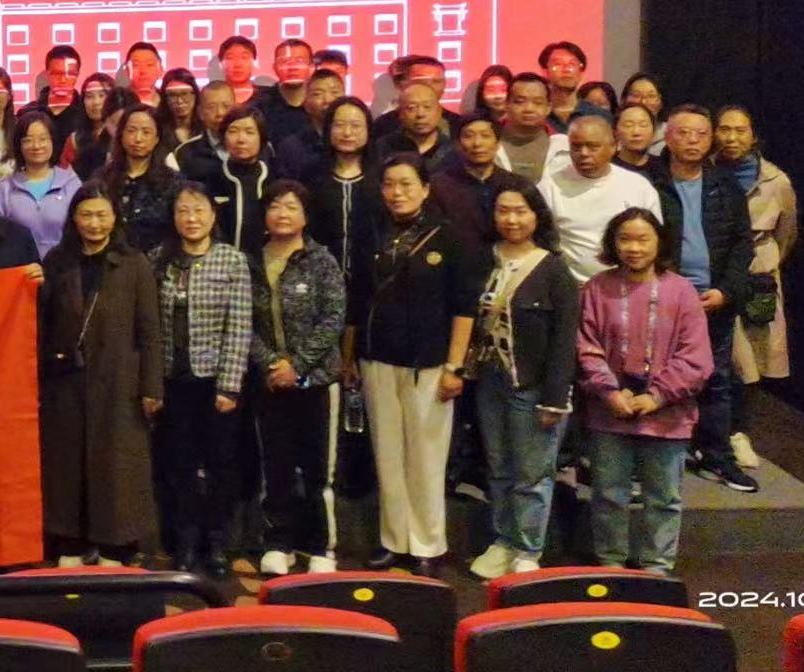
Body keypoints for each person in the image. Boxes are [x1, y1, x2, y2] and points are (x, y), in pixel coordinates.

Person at [344, 155, 478, 575]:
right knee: (387, 454)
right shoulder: (371, 233)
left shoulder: (448, 236)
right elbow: (357, 300)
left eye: (406, 184)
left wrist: (455, 366)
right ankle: (393, 540)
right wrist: (349, 357)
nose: (397, 192)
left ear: (425, 188)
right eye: (389, 184)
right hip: (377, 359)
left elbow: (464, 307)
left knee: (426, 456)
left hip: (430, 363)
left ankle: (427, 544)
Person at [577, 208, 712, 577]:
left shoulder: (682, 291)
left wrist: (657, 395)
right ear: (612, 243)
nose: (633, 248)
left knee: (663, 497)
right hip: (610, 411)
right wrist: (608, 391)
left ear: (659, 243)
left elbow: (696, 356)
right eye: (625, 239)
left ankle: (657, 567)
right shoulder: (596, 288)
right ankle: (610, 562)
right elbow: (585, 347)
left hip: (668, 415)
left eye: (643, 239)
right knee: (608, 494)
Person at [39, 186, 162, 565]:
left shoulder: (134, 263)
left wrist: (152, 387)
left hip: (120, 383)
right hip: (65, 381)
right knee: (66, 466)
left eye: (102, 215)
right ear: (73, 219)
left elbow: (150, 331)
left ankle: (115, 545)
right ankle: (71, 543)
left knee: (117, 467)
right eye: (86, 215)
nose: (94, 223)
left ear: (115, 218)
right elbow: (42, 322)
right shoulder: (57, 261)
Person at [463, 186, 580, 580]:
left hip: (533, 386)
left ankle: (528, 549)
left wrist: (555, 398)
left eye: (520, 211)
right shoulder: (484, 260)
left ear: (537, 216)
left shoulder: (553, 269)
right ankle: (503, 540)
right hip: (489, 381)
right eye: (503, 211)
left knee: (532, 473)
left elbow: (565, 339)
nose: (511, 219)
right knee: (498, 468)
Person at [645, 106, 758, 494]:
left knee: (716, 380)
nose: (693, 141)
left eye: (701, 134)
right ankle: (653, 459)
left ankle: (715, 456)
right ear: (667, 137)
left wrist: (726, 290)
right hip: (662, 300)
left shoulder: (726, 185)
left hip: (713, 301)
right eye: (684, 133)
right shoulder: (650, 184)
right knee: (656, 377)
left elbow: (743, 244)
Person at [152, 184, 251, 580]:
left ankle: (217, 542)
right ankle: (185, 542)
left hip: (215, 382)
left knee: (220, 466)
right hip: (173, 382)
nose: (190, 218)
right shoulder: (160, 259)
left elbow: (239, 328)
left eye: (198, 210)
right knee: (179, 465)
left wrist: (229, 386)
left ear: (213, 215)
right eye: (183, 211)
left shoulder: (231, 260)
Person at [249, 182, 346, 577]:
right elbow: (244, 322)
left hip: (316, 381)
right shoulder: (251, 260)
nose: (282, 214)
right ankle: (279, 542)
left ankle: (321, 546)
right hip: (270, 381)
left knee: (318, 469)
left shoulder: (321, 260)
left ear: (305, 215)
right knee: (276, 466)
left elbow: (333, 319)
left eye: (291, 206)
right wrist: (272, 364)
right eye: (275, 206)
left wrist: (299, 366)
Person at [714, 103, 796, 473]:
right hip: (716, 269)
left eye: (740, 130)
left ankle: (739, 432)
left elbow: (787, 233)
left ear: (753, 136)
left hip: (758, 274)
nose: (731, 137)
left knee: (753, 357)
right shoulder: (705, 171)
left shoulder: (776, 181)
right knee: (723, 357)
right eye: (724, 129)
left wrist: (765, 261)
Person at [536, 115, 663, 283]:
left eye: (593, 147)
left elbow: (655, 240)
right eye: (576, 146)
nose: (583, 153)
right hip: (572, 286)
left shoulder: (638, 186)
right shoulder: (549, 187)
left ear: (613, 147)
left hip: (629, 283)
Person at [305, 98, 380, 292]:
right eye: (339, 125)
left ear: (368, 130)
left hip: (374, 281)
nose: (347, 133)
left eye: (355, 126)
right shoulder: (311, 174)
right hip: (320, 280)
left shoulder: (382, 177)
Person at [429, 116, 534, 247]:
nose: (477, 143)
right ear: (457, 144)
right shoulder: (438, 186)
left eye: (485, 135)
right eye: (468, 136)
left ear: (498, 144)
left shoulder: (517, 185)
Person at [0, 112, 84, 259]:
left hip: (64, 264)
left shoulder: (71, 182)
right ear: (19, 145)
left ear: (53, 141)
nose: (36, 146)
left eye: (43, 139)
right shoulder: (5, 188)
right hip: (20, 265)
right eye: (28, 140)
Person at [102, 104, 178, 254]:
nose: (138, 138)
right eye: (131, 131)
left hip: (158, 261)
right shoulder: (103, 178)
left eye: (146, 132)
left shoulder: (172, 182)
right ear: (121, 135)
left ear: (157, 138)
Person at [207, 105, 272, 251]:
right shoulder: (211, 178)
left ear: (261, 138)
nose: (241, 139)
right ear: (223, 137)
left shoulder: (273, 176)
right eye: (233, 131)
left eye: (249, 132)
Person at [272, 68, 347, 180]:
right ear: (306, 103)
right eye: (318, 94)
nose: (327, 100)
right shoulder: (291, 148)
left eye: (334, 92)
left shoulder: (354, 141)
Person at [369, 56, 458, 145]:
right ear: (400, 84)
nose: (429, 86)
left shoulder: (457, 125)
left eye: (436, 81)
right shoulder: (383, 126)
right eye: (421, 81)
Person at [495, 73, 569, 177]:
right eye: (520, 102)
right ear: (506, 104)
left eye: (537, 102)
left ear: (548, 108)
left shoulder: (565, 147)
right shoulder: (486, 142)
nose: (529, 109)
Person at [369, 80, 455, 167]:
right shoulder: (382, 148)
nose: (420, 114)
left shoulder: (454, 149)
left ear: (440, 112)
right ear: (400, 114)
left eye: (427, 107)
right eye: (411, 108)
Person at [166, 80, 235, 187]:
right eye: (211, 107)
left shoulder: (256, 147)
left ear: (236, 109)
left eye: (226, 106)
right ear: (200, 113)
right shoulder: (184, 153)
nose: (220, 113)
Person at [61, 72, 123, 179]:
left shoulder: (122, 133)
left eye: (102, 95)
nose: (95, 102)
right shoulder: (74, 140)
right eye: (89, 96)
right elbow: (64, 176)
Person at [259, 39, 319, 149]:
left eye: (299, 61)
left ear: (312, 67)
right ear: (274, 67)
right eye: (284, 62)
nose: (292, 68)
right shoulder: (259, 106)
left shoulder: (321, 105)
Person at [539, 41, 589, 127]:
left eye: (572, 64)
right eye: (558, 64)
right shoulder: (537, 114)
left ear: (581, 73)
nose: (566, 69)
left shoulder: (598, 115)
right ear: (545, 71)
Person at [157, 69, 203, 150]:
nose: (179, 101)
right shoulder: (158, 129)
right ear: (165, 98)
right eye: (172, 95)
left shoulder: (206, 128)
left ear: (195, 94)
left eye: (184, 94)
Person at [612, 102, 661, 173]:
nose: (636, 132)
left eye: (643, 125)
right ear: (615, 132)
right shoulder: (606, 167)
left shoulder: (664, 167)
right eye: (628, 125)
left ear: (654, 132)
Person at [214, 35, 261, 106]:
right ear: (220, 64)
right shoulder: (212, 96)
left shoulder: (268, 97)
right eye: (230, 58)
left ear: (254, 62)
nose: (238, 64)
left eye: (244, 57)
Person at [123, 41, 165, 106]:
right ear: (127, 71)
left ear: (160, 70)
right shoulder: (117, 101)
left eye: (150, 65)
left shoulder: (168, 101)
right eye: (136, 65)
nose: (143, 71)